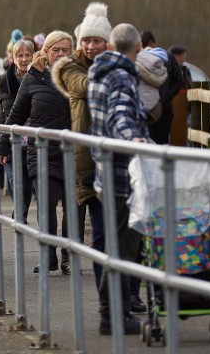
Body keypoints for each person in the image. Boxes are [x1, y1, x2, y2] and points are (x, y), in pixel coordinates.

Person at [88, 23, 149, 336]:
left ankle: (111, 314)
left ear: (111, 45)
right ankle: (115, 315)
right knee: (124, 249)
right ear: (138, 48)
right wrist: (136, 141)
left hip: (104, 173)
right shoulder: (122, 76)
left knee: (116, 247)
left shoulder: (98, 73)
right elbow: (120, 116)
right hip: (123, 175)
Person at [0, 30, 74, 274]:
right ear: (47, 52)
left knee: (73, 207)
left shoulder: (77, 75)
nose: (61, 54)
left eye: (65, 50)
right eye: (56, 50)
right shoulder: (33, 77)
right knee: (47, 204)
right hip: (41, 152)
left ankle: (69, 255)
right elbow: (16, 115)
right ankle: (49, 253)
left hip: (73, 151)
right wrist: (3, 144)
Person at [52, 2, 112, 289]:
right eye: (86, 40)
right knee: (97, 229)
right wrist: (118, 69)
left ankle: (129, 295)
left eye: (97, 40)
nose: (91, 46)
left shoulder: (113, 64)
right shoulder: (70, 68)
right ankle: (105, 300)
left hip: (116, 158)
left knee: (122, 230)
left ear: (106, 42)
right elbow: (85, 86)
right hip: (86, 159)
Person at [0, 39, 34, 211]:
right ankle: (20, 216)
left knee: (28, 181)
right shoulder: (3, 80)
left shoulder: (38, 78)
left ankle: (21, 213)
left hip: (31, 140)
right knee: (15, 180)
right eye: (19, 55)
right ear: (13, 58)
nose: (24, 59)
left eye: (27, 55)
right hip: (9, 137)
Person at [140, 31, 185, 144]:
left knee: (146, 146)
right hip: (164, 110)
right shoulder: (168, 57)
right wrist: (166, 98)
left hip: (145, 110)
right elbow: (179, 81)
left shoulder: (138, 58)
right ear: (153, 43)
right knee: (162, 146)